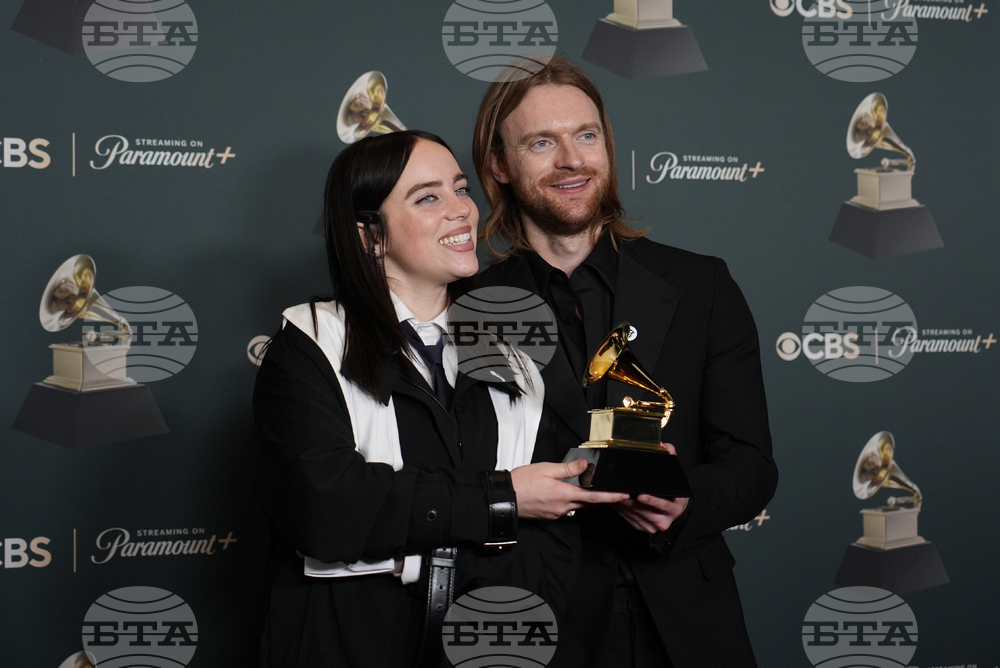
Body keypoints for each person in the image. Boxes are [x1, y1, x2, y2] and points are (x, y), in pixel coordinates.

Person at [252, 129, 627, 668]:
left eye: (460, 189)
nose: (461, 211)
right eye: (428, 198)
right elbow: (327, 506)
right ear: (368, 236)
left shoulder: (512, 346)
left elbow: (553, 506)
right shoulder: (309, 343)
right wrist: (501, 501)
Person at [474, 58, 779, 667]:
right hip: (536, 622)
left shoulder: (702, 285)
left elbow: (751, 466)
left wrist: (685, 499)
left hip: (688, 622)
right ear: (499, 165)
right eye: (542, 142)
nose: (572, 160)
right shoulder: (466, 310)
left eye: (586, 136)